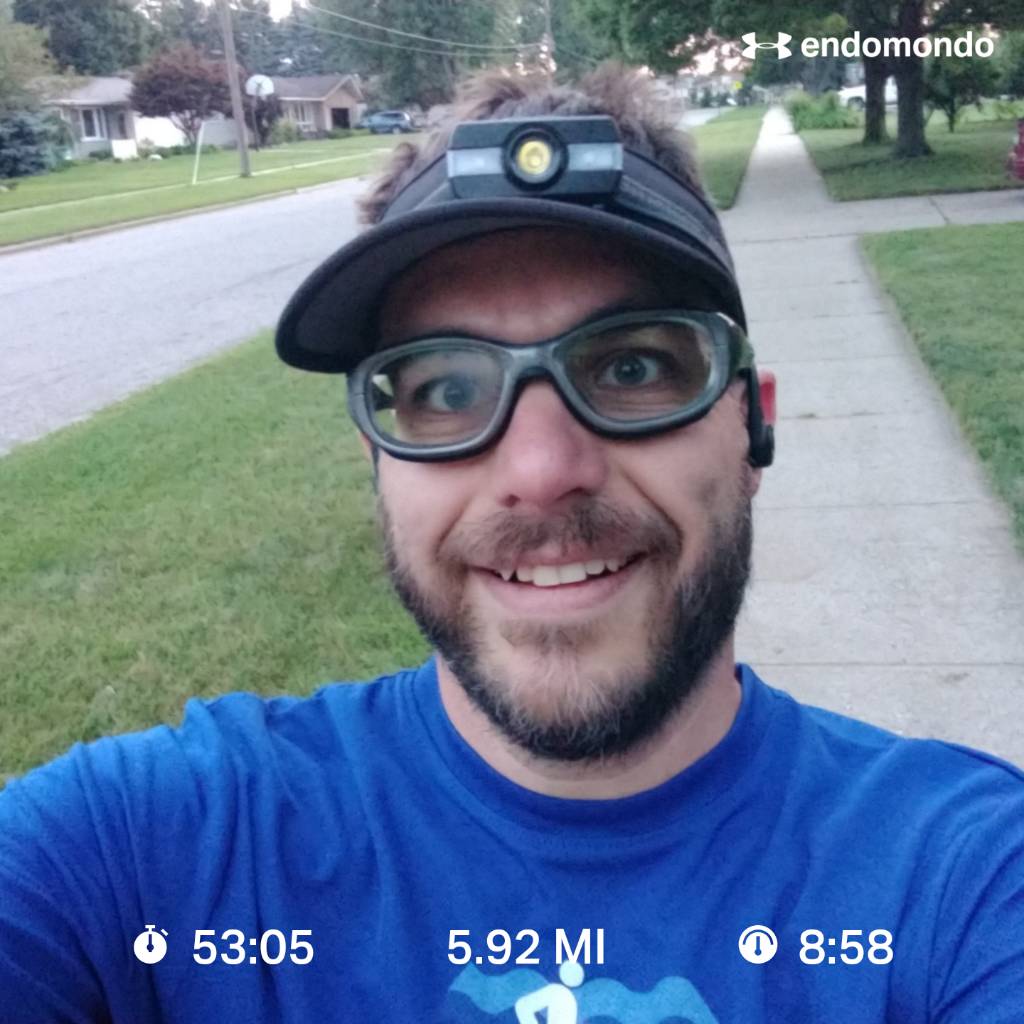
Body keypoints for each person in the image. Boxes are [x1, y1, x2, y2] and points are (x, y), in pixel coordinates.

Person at [0, 66, 1022, 1024]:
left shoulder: (961, 880)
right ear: (377, 459)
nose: (540, 469)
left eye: (631, 368)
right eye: (447, 388)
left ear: (752, 425)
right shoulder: (152, 846)